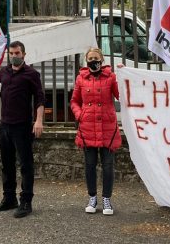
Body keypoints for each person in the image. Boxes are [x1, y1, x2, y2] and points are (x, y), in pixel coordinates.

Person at [0, 40, 44, 218]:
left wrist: (39, 121)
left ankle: (26, 201)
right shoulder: (5, 72)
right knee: (7, 165)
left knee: (26, 165)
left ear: (24, 55)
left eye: (17, 53)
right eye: (11, 54)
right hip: (5, 127)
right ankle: (9, 199)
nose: (14, 56)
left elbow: (40, 99)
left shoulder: (32, 74)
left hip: (23, 127)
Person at [70, 48, 122, 215]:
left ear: (102, 59)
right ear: (87, 60)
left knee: (108, 166)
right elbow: (74, 101)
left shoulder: (111, 77)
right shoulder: (80, 79)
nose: (93, 60)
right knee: (90, 165)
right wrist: (80, 115)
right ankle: (92, 197)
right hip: (88, 127)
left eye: (96, 57)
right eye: (90, 58)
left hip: (107, 127)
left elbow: (121, 95)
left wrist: (124, 76)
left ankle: (107, 199)